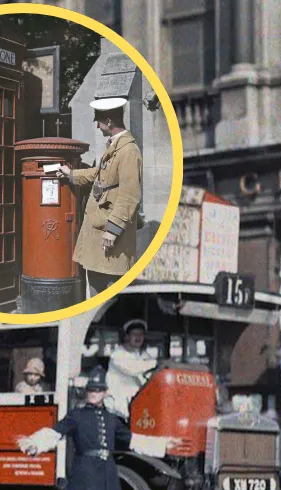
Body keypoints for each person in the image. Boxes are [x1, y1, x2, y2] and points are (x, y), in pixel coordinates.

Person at [58, 98, 143, 298]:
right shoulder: (116, 147)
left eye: (99, 121)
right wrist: (71, 175)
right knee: (95, 279)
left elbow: (130, 195)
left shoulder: (129, 151)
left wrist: (112, 231)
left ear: (109, 121)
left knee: (111, 291)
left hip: (110, 234)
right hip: (98, 229)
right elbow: (99, 174)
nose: (97, 126)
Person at [106, 319, 156, 419]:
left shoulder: (144, 356)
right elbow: (133, 369)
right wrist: (157, 363)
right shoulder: (118, 354)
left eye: (141, 334)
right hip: (117, 412)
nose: (138, 337)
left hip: (137, 410)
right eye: (134, 334)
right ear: (127, 336)